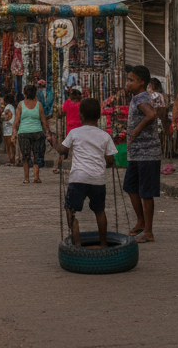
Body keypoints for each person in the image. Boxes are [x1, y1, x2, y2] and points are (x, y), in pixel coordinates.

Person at [55, 97, 118, 247]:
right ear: (99, 116)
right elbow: (110, 161)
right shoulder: (105, 136)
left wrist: (55, 142)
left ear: (80, 116)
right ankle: (103, 244)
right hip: (98, 179)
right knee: (99, 211)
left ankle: (77, 244)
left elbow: (63, 150)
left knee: (70, 209)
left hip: (78, 178)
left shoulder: (74, 133)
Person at [122, 66, 160, 242]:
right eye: (127, 79)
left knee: (146, 192)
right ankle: (140, 222)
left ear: (141, 82)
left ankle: (148, 231)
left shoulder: (142, 97)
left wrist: (136, 130)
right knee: (130, 186)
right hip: (136, 153)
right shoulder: (136, 97)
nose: (127, 83)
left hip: (147, 153)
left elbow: (151, 114)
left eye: (131, 80)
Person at [16, 85, 47, 184]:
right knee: (36, 154)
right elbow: (44, 120)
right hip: (37, 132)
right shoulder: (39, 105)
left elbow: (16, 121)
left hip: (24, 132)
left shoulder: (21, 105)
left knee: (26, 156)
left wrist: (13, 133)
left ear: (24, 94)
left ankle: (27, 178)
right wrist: (48, 132)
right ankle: (36, 176)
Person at [0, 93, 17, 166]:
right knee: (12, 146)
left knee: (9, 145)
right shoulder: (13, 107)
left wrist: (2, 117)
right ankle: (13, 159)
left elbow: (7, 116)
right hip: (11, 128)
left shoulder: (8, 107)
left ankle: (12, 159)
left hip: (8, 128)